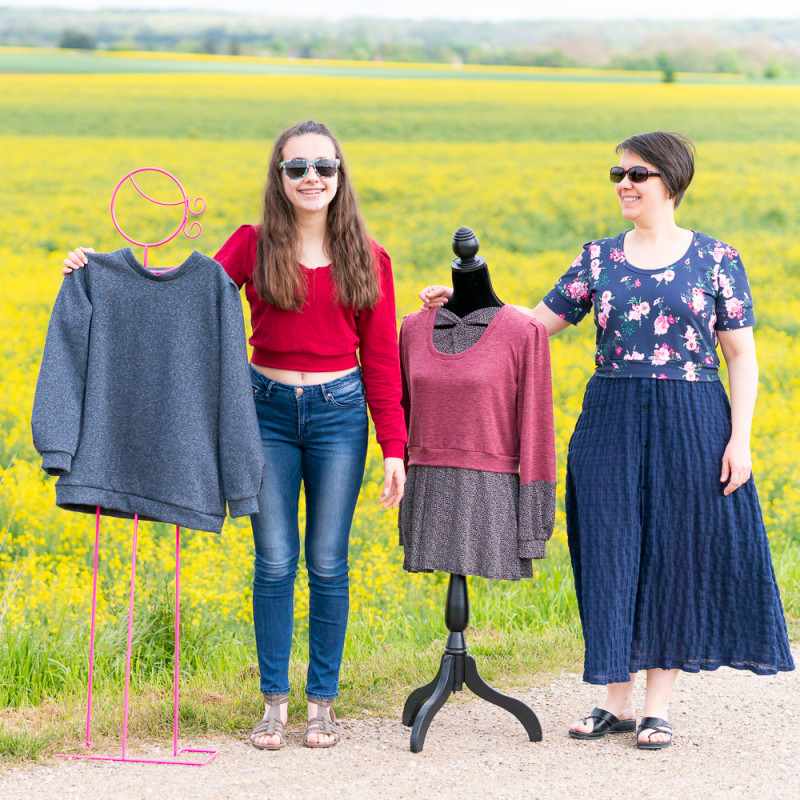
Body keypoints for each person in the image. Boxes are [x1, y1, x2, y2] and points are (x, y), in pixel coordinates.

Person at [419, 131, 794, 750]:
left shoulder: (718, 260)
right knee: (608, 549)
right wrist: (464, 303)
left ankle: (657, 707)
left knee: (675, 555)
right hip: (610, 417)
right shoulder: (598, 259)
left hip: (694, 416)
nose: (623, 184)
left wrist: (740, 440)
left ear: (670, 182)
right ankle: (613, 701)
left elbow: (742, 357)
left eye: (637, 175)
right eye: (617, 174)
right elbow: (533, 327)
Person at [62, 120, 407, 750]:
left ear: (339, 176)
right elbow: (185, 299)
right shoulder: (252, 244)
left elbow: (382, 362)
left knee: (328, 563)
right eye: (297, 167)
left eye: (323, 168)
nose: (311, 178)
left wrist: (394, 450)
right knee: (274, 561)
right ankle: (274, 704)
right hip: (264, 413)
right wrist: (99, 272)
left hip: (340, 415)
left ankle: (321, 704)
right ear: (279, 177)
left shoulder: (369, 254)